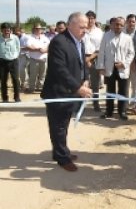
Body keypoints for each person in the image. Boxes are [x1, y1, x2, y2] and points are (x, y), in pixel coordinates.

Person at [41, 12, 92, 172]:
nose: (85, 30)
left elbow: (81, 63)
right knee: (58, 126)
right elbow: (59, 70)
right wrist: (78, 88)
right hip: (58, 93)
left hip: (70, 91)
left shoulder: (79, 41)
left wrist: (85, 79)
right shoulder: (59, 42)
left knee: (64, 124)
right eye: (81, 27)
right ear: (70, 25)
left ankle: (62, 151)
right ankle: (62, 157)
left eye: (86, 27)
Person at [97, 17, 135, 120]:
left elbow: (131, 53)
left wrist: (124, 64)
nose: (118, 27)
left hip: (122, 68)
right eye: (116, 24)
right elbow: (101, 52)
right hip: (109, 67)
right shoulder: (106, 36)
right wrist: (101, 66)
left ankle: (122, 111)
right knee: (110, 91)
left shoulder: (127, 38)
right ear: (113, 25)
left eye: (121, 25)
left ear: (124, 26)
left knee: (123, 91)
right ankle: (109, 112)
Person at [84, 10, 104, 112]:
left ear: (95, 19)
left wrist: (90, 58)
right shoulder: (81, 30)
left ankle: (96, 103)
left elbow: (100, 48)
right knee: (81, 82)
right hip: (81, 58)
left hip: (95, 58)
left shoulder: (99, 32)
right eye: (88, 18)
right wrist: (85, 59)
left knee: (95, 84)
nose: (90, 20)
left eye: (92, 18)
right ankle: (79, 104)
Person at [26, 23, 50, 93]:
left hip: (44, 59)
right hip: (34, 59)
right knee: (33, 75)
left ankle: (40, 87)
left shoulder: (45, 38)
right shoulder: (30, 37)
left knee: (43, 75)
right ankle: (31, 88)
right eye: (36, 28)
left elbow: (49, 46)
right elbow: (29, 47)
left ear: (41, 30)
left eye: (39, 29)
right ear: (33, 29)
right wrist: (39, 49)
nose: (38, 30)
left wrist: (45, 50)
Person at [0, 23, 21, 102]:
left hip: (13, 61)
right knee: (3, 80)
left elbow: (18, 48)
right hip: (2, 62)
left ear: (10, 30)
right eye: (5, 29)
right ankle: (5, 98)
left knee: (15, 79)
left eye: (8, 29)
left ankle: (17, 97)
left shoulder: (15, 38)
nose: (7, 31)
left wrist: (15, 56)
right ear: (1, 30)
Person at [124, 14, 136, 110]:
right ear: (126, 22)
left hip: (135, 64)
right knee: (124, 85)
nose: (131, 23)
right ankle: (124, 104)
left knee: (134, 85)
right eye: (129, 21)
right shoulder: (122, 33)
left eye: (133, 22)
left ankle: (134, 104)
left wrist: (134, 62)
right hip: (124, 63)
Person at [13, 27, 30, 91]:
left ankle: (24, 84)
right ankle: (23, 83)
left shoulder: (26, 37)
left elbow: (29, 46)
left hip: (26, 55)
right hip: (18, 56)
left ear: (20, 31)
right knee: (20, 70)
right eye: (15, 32)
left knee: (22, 69)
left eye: (17, 31)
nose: (16, 33)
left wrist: (18, 48)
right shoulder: (15, 37)